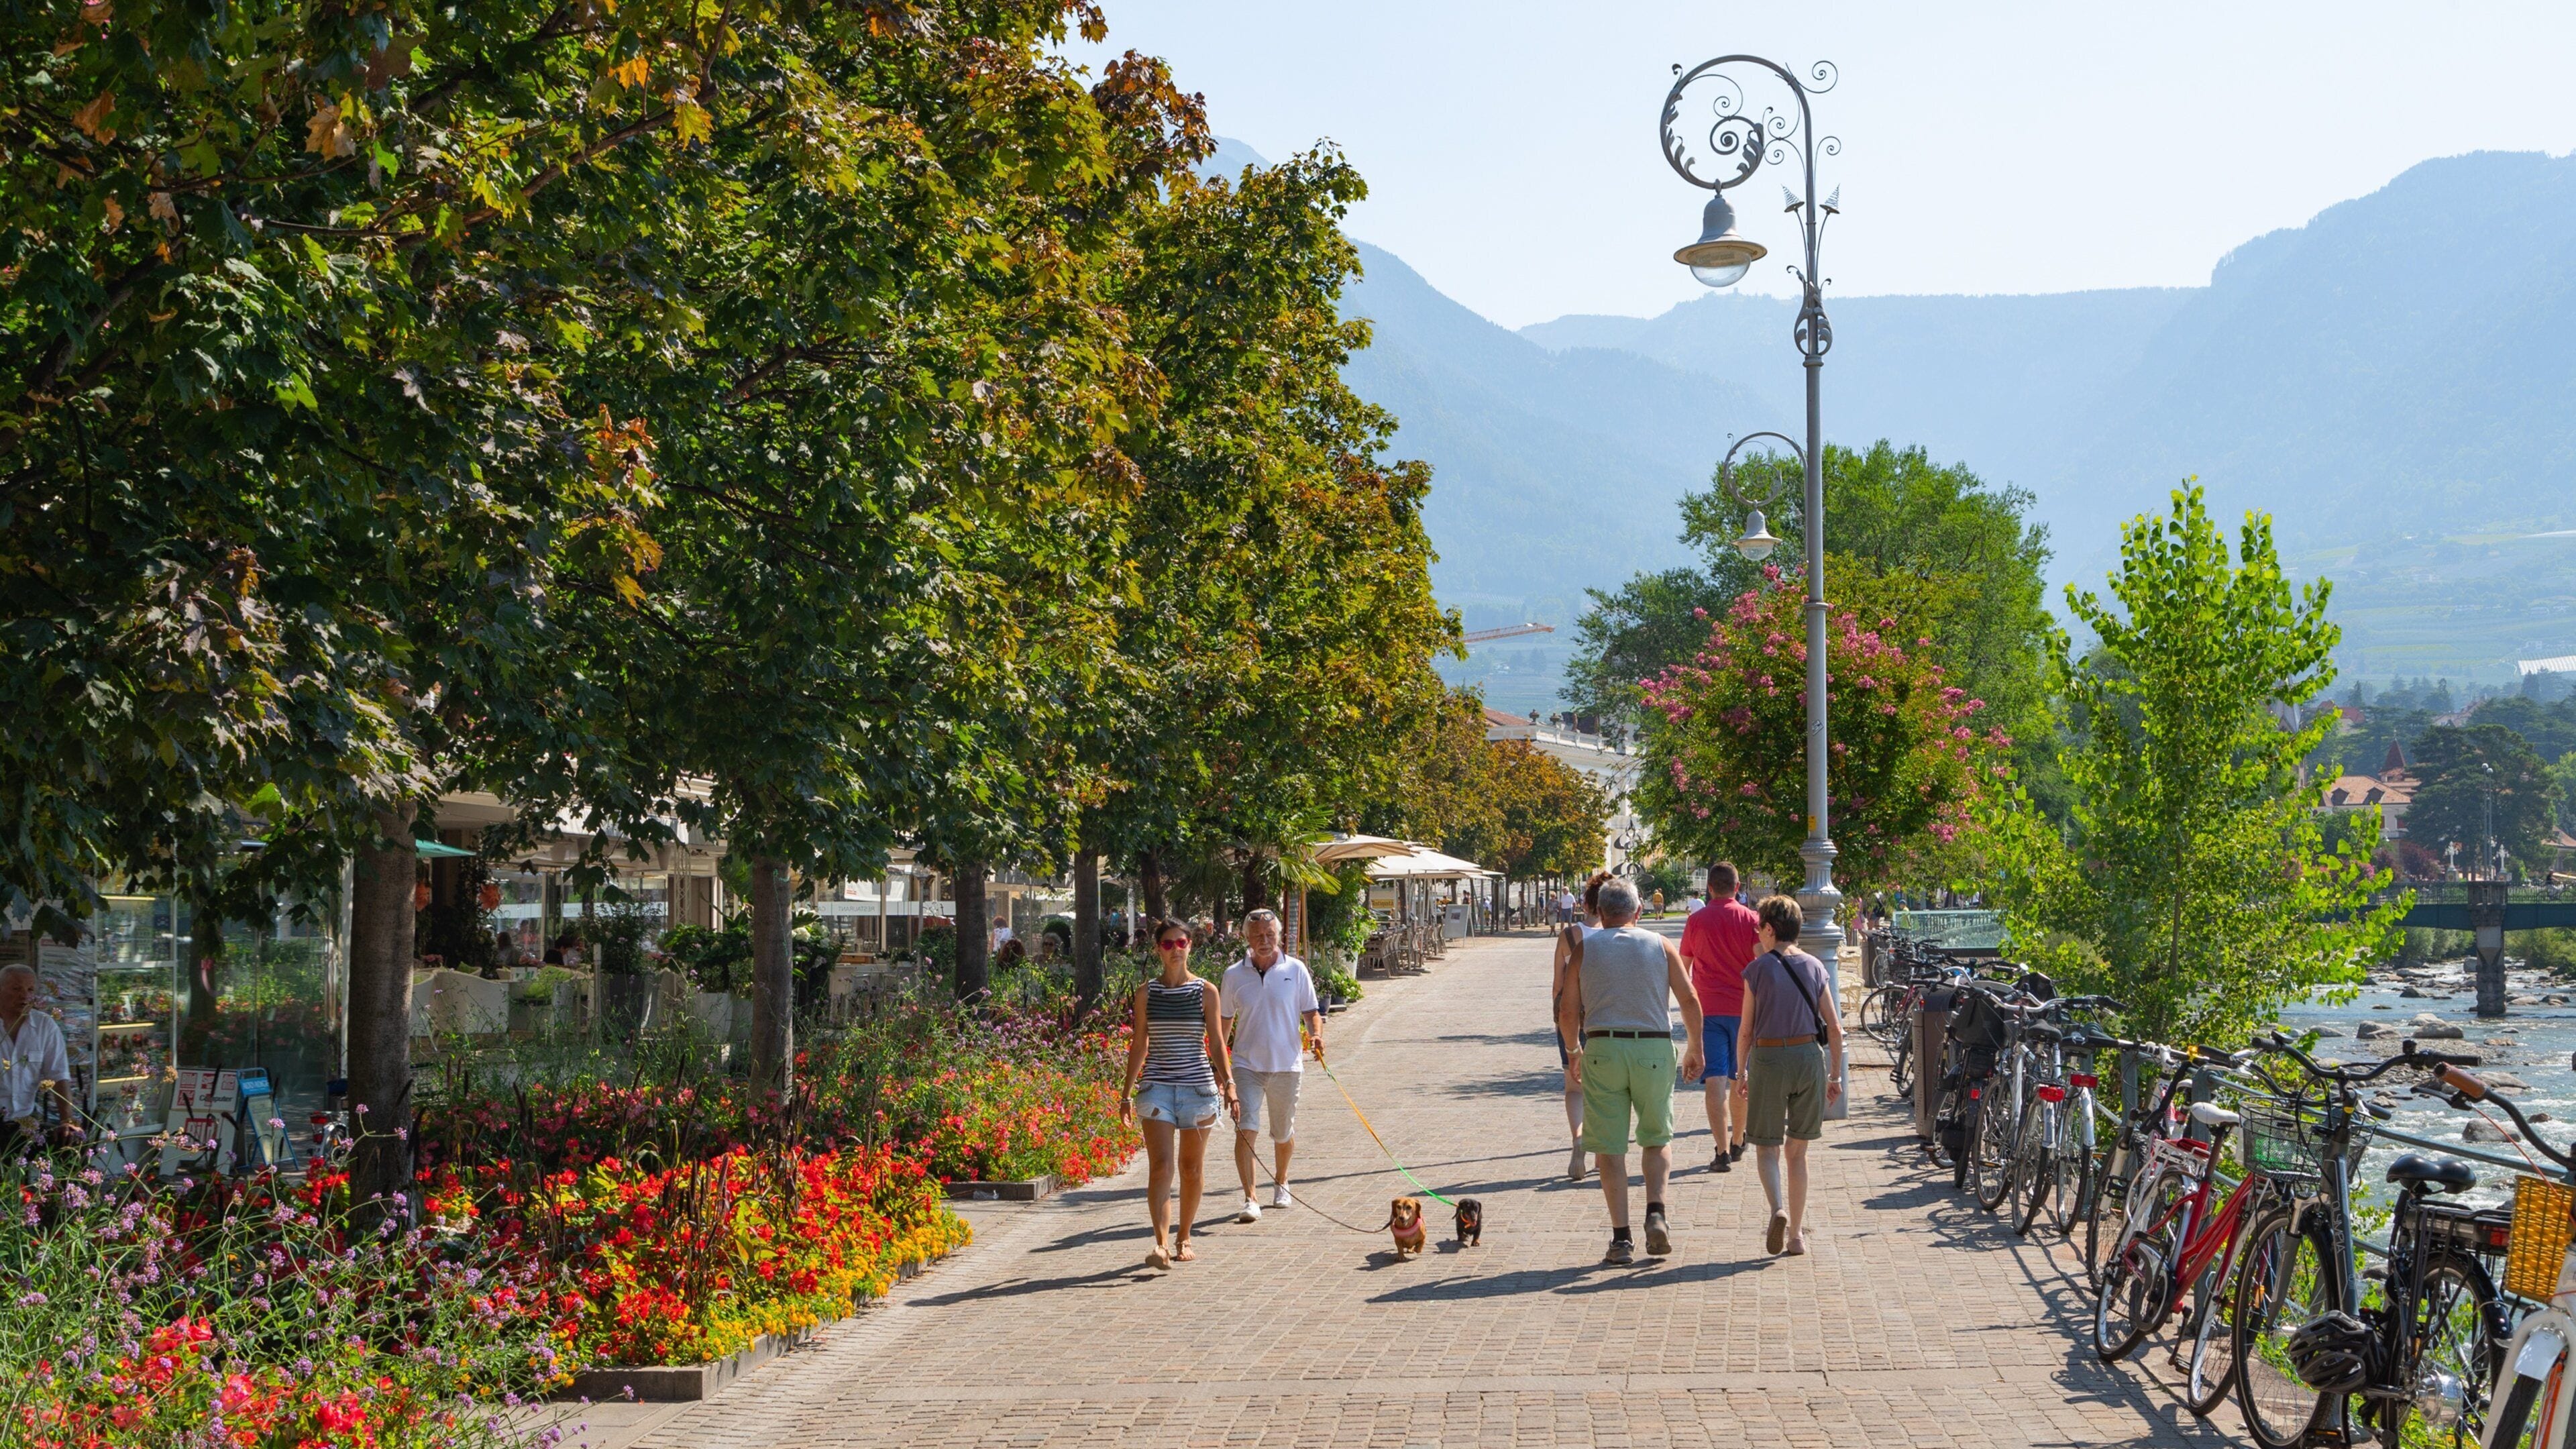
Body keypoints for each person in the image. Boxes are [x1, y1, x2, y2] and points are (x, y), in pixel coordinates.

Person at [1558, 877, 1705, 1265]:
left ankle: (1621, 1239)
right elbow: (1689, 998)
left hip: (1603, 1046)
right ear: (1639, 912)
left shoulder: (1585, 950)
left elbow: (1567, 1011)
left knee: (1609, 1148)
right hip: (1654, 1047)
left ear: (1600, 913)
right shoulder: (1659, 945)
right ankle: (1656, 1212)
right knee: (1656, 1137)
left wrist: (1574, 1050)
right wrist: (1695, 1048)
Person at [1119, 920, 1238, 1269]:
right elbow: (1139, 1044)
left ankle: (1184, 1235)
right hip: (1156, 1087)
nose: (1176, 949)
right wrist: (1126, 1093)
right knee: (1160, 1168)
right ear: (1158, 949)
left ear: (1190, 946)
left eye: (1182, 942)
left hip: (1199, 1089)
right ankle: (1160, 1244)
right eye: (1168, 944)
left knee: (1191, 1169)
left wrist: (1228, 1084)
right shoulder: (1147, 993)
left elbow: (1216, 1042)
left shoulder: (1206, 991)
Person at [1735, 895, 1845, 1257]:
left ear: (1769, 929)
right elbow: (1835, 1028)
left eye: (1759, 928)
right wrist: (1835, 1077)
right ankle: (1797, 1235)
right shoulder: (1816, 967)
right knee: (1797, 1153)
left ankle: (1777, 1209)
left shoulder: (1758, 970)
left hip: (1769, 1057)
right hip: (1808, 1059)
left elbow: (1746, 1030)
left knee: (1766, 1147)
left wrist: (1741, 1071)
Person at [1221, 909, 1324, 1222]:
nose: (1264, 941)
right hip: (1246, 1065)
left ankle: (1282, 1181)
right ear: (1246, 939)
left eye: (1270, 935)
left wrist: (1316, 1035)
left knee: (1282, 1132)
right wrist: (1220, 1067)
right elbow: (1223, 1022)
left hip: (1286, 1065)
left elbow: (1311, 1011)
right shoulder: (1233, 975)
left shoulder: (1296, 969)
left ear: (1279, 936)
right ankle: (1250, 1198)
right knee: (1246, 1129)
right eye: (1257, 936)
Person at [1681, 861, 1759, 1172]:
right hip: (1744, 1011)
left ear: (1709, 888)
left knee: (1714, 1078)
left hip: (1707, 1011)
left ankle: (1722, 1151)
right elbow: (1762, 963)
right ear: (1737, 887)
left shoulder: (1696, 921)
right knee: (1741, 1077)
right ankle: (1739, 1140)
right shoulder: (1751, 919)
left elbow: (1684, 967)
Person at [1549, 873, 1613, 1180]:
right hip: (1606, 1020)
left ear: (1585, 903)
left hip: (1571, 1019)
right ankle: (1602, 1153)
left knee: (1574, 1087)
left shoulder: (1569, 936)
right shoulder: (1616, 936)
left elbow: (1557, 987)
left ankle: (1578, 1138)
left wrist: (1561, 1020)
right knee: (1604, 1088)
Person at [1, 963, 76, 1158]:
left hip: (24, 1122)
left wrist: (67, 1121)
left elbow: (59, 1075)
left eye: (30, 989)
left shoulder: (44, 1025)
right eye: (16, 989)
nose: (24, 995)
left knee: (72, 1147)